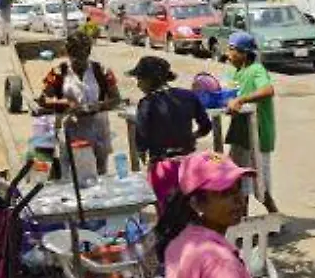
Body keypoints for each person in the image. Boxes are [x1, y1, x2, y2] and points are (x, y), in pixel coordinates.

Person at [128, 56, 213, 213]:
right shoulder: (188, 96)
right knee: (192, 211)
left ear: (149, 80)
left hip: (163, 167)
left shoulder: (147, 103)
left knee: (167, 216)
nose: (138, 84)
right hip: (189, 164)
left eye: (140, 79)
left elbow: (141, 138)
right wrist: (192, 136)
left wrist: (142, 154)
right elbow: (206, 126)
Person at [37, 31, 121, 175]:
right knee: (71, 173)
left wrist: (97, 106)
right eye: (75, 56)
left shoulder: (101, 71)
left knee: (100, 173)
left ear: (88, 52)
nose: (79, 61)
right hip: (70, 130)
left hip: (98, 130)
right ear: (68, 53)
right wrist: (66, 104)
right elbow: (43, 99)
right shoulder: (58, 72)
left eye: (83, 55)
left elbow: (116, 99)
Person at [224, 31, 280, 215]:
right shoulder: (234, 72)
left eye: (231, 49)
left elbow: (268, 90)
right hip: (240, 135)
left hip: (258, 135)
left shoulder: (256, 70)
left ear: (244, 53)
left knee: (260, 185)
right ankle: (243, 220)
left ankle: (276, 217)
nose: (228, 54)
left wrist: (242, 100)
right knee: (239, 181)